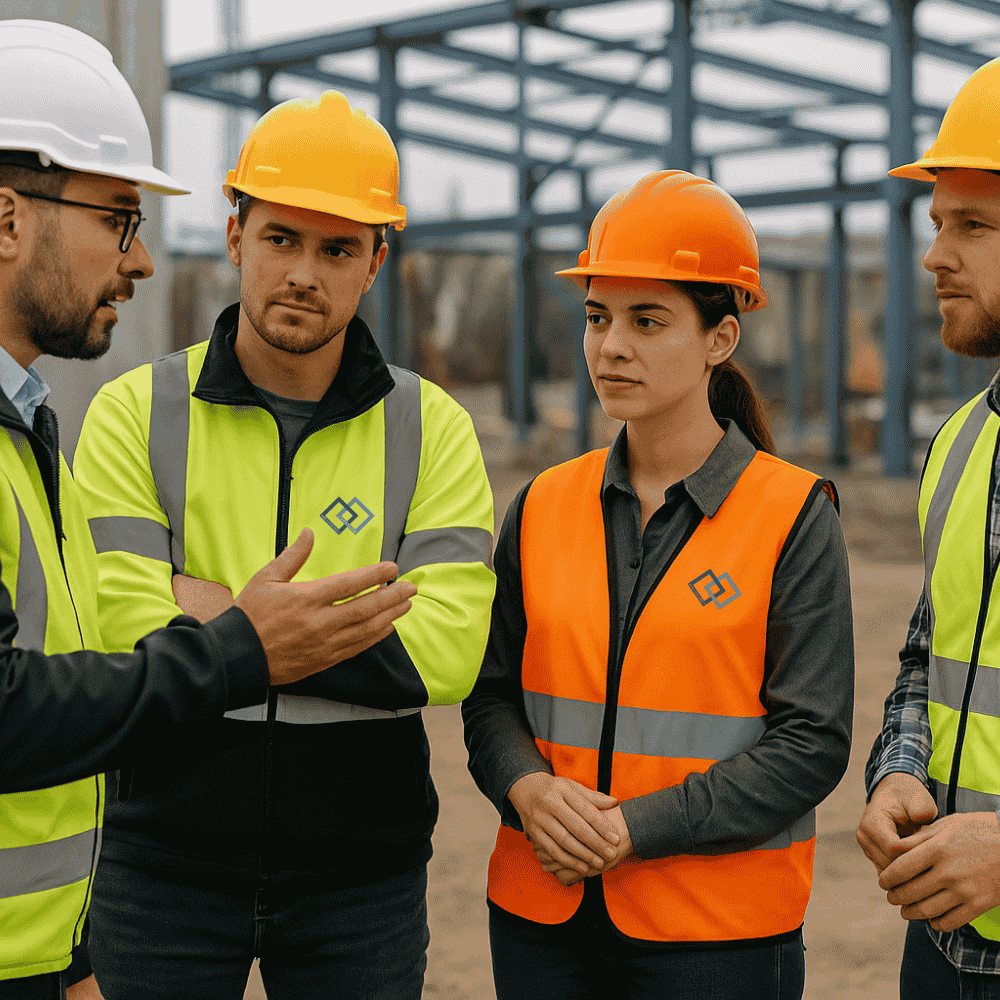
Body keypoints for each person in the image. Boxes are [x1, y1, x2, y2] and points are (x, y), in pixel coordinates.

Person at [0, 20, 418, 1000]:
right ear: (7, 220)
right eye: (118, 220)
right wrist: (243, 646)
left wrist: (73, 955)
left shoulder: (29, 427)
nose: (140, 264)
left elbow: (82, 665)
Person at [70, 89, 496, 1000]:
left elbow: (449, 653)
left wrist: (214, 609)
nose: (305, 271)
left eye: (337, 248)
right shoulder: (134, 415)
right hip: (161, 863)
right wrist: (323, 625)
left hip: (362, 880)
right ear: (235, 239)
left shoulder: (435, 430)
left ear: (376, 261)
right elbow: (110, 619)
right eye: (281, 239)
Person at [462, 169, 855, 1000]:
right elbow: (489, 695)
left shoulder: (792, 513)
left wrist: (636, 830)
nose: (611, 346)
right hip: (544, 915)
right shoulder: (540, 505)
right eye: (598, 317)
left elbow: (811, 740)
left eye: (648, 321)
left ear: (721, 337)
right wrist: (526, 788)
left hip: (716, 932)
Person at [856, 55, 1000, 999]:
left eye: (973, 225)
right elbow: (929, 657)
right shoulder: (959, 443)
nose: (934, 254)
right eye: (937, 222)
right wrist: (899, 772)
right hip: (947, 949)